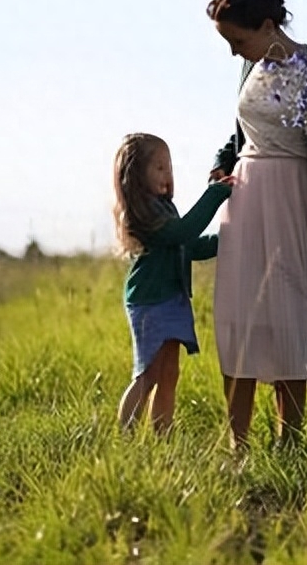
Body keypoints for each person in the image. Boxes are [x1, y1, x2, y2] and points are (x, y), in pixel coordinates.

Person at [205, 0, 307, 449]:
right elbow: (238, 134)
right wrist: (220, 166)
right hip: (246, 194)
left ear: (269, 24)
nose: (235, 52)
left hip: (295, 196)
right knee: (237, 313)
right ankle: (237, 440)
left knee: (288, 312)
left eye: (239, 39)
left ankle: (288, 439)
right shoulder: (248, 68)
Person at [113, 132, 234, 434]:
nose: (168, 174)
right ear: (136, 176)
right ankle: (124, 437)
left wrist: (229, 239)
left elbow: (188, 246)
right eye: (159, 168)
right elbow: (182, 233)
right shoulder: (146, 213)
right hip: (151, 302)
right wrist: (214, 195)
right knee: (148, 374)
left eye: (169, 167)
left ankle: (162, 437)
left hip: (171, 300)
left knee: (169, 373)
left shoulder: (165, 208)